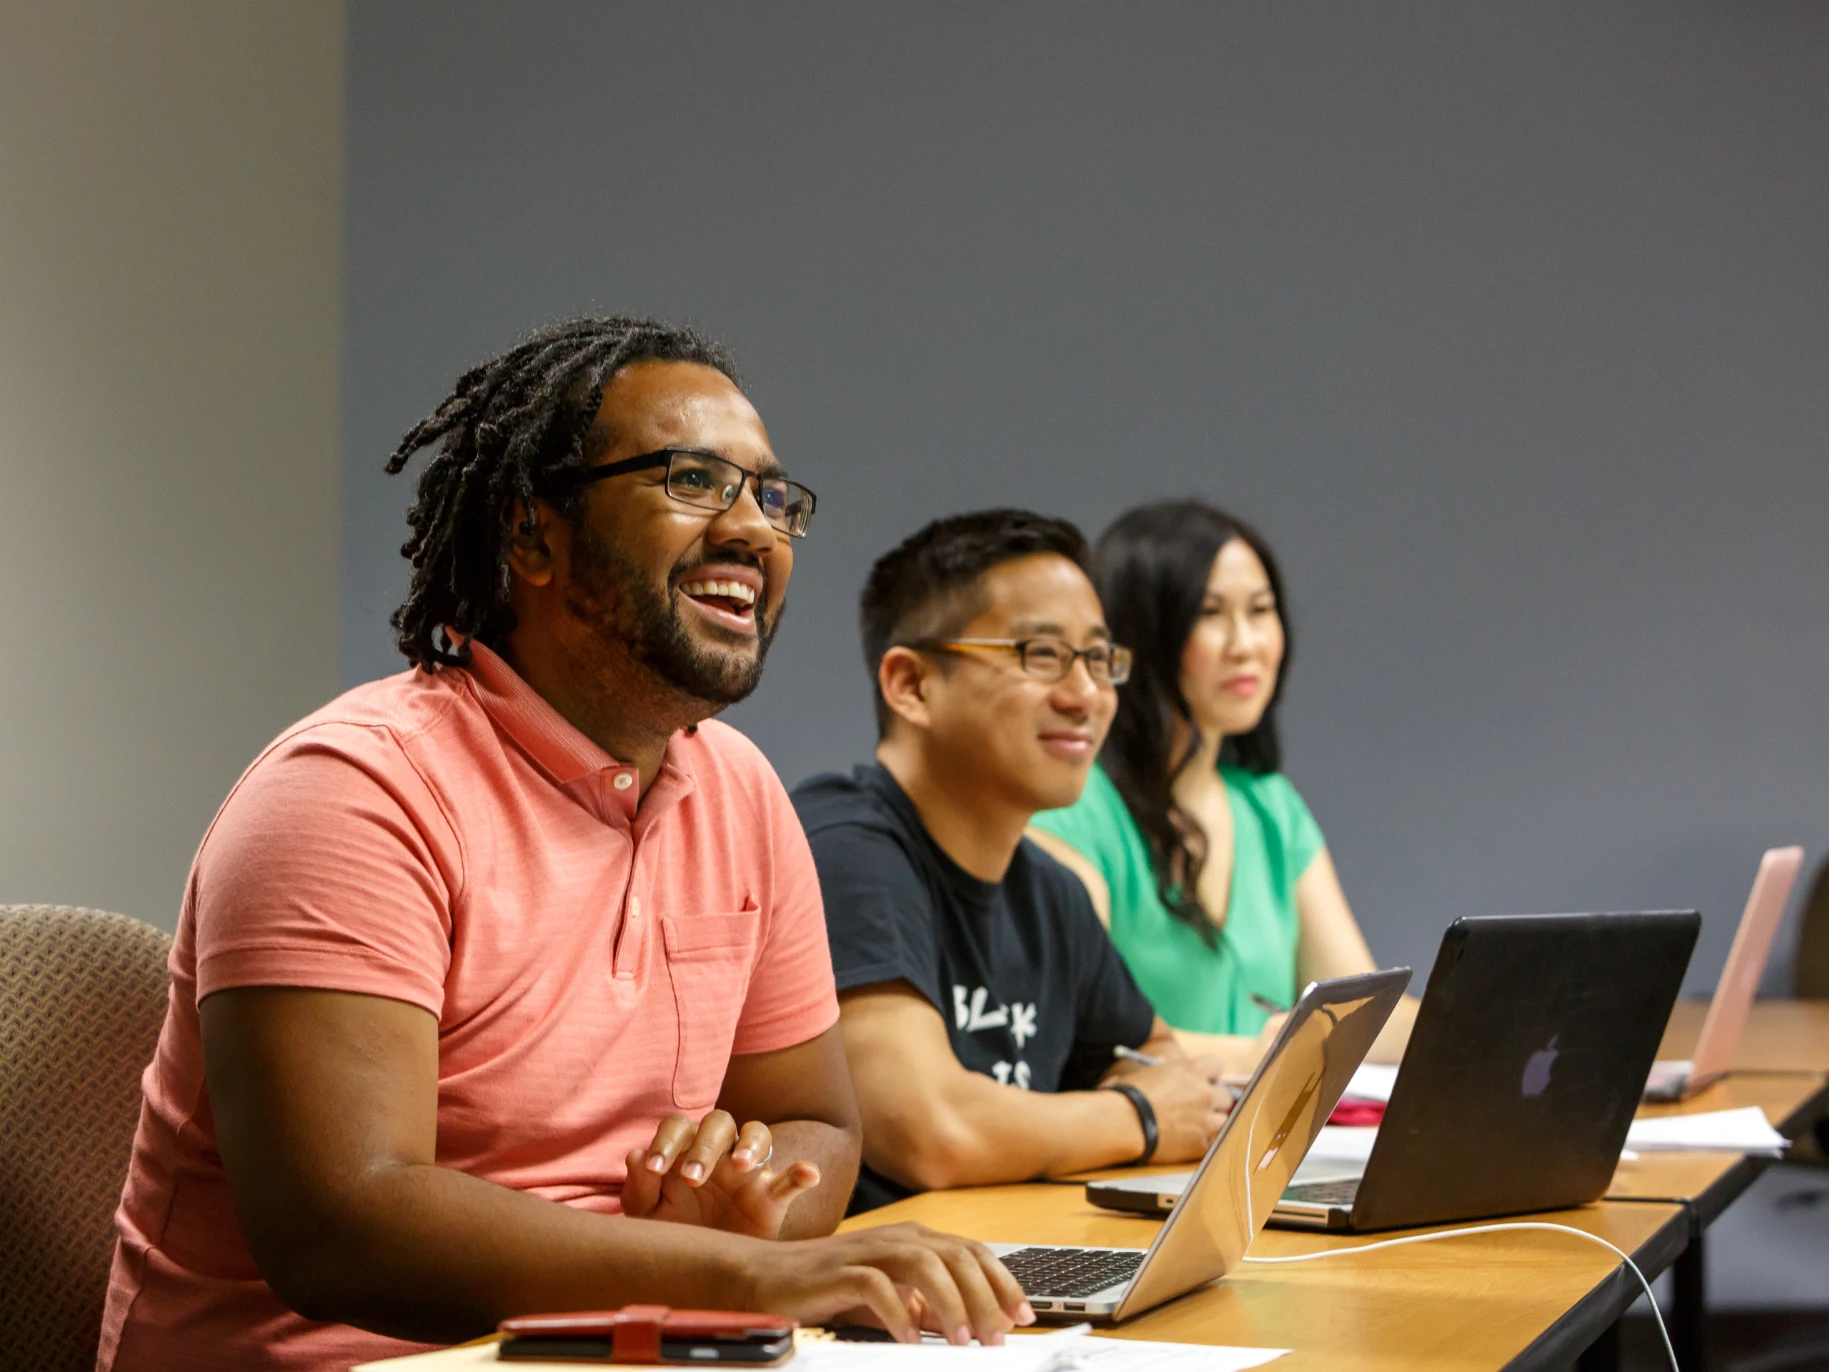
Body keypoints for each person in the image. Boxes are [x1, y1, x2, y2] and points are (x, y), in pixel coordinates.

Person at [100, 318, 1030, 1372]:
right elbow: (341, 1225)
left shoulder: (741, 793)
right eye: (692, 480)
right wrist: (737, 1274)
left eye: (772, 497)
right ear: (533, 536)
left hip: (614, 1351)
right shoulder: (351, 794)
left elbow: (817, 1119)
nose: (753, 530)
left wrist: (747, 1185)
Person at [793, 510, 1230, 1214]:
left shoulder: (1048, 891)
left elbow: (1159, 1064)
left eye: (1098, 660)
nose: (1086, 695)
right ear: (911, 685)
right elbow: (931, 1131)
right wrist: (1137, 1121)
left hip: (1008, 1272)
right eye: (1041, 654)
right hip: (876, 1300)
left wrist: (1137, 1096)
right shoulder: (844, 847)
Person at [1028, 501, 1414, 1076]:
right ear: (1140, 634)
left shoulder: (1270, 808)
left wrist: (1483, 1027)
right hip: (1137, 1154)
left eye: (1261, 611)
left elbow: (1362, 1016)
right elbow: (1090, 1035)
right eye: (1209, 614)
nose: (1245, 644)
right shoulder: (1073, 812)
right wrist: (1274, 1051)